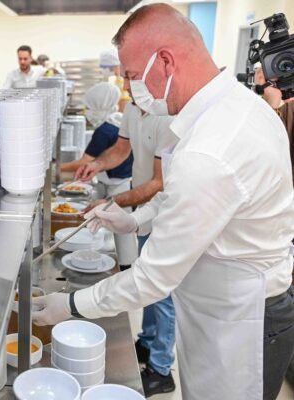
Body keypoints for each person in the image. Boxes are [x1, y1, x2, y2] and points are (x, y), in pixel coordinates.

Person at [33, 4, 294, 400]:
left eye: (134, 76)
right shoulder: (239, 108)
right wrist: (134, 222)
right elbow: (189, 201)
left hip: (243, 323)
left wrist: (69, 304)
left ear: (166, 62)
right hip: (222, 305)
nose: (131, 89)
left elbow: (152, 278)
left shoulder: (210, 151)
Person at [76, 101, 178, 395]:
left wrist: (115, 204)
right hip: (146, 212)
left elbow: (159, 183)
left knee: (163, 293)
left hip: (167, 214)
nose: (127, 80)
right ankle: (147, 343)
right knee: (149, 280)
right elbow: (121, 151)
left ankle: (161, 369)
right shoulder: (134, 110)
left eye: (131, 74)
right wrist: (96, 163)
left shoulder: (167, 116)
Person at [61, 82, 137, 271]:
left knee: (119, 230)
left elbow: (84, 162)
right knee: (124, 233)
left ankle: (124, 269)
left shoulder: (104, 130)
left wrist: (55, 169)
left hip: (116, 188)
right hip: (125, 183)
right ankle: (127, 267)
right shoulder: (119, 121)